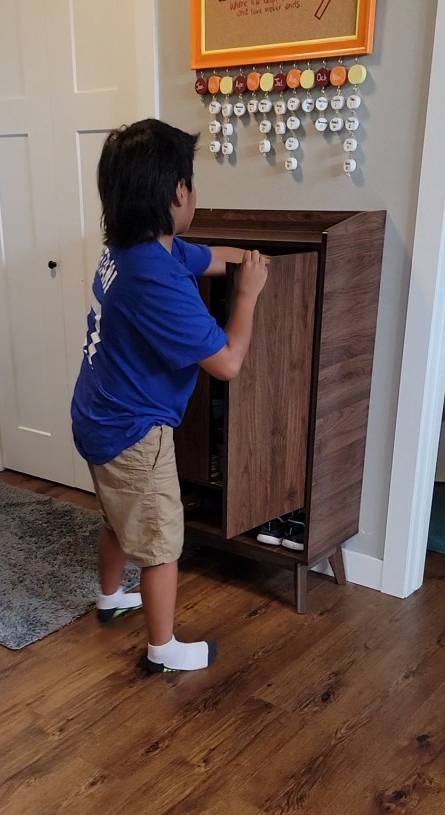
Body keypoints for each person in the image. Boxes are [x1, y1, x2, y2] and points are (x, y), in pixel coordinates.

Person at [71, 118, 267, 673]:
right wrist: (247, 296)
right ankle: (163, 648)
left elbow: (207, 257)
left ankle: (110, 598)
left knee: (116, 514)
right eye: (192, 180)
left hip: (95, 413)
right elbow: (227, 363)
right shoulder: (155, 279)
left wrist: (249, 260)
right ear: (179, 191)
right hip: (134, 430)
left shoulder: (138, 249)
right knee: (160, 538)